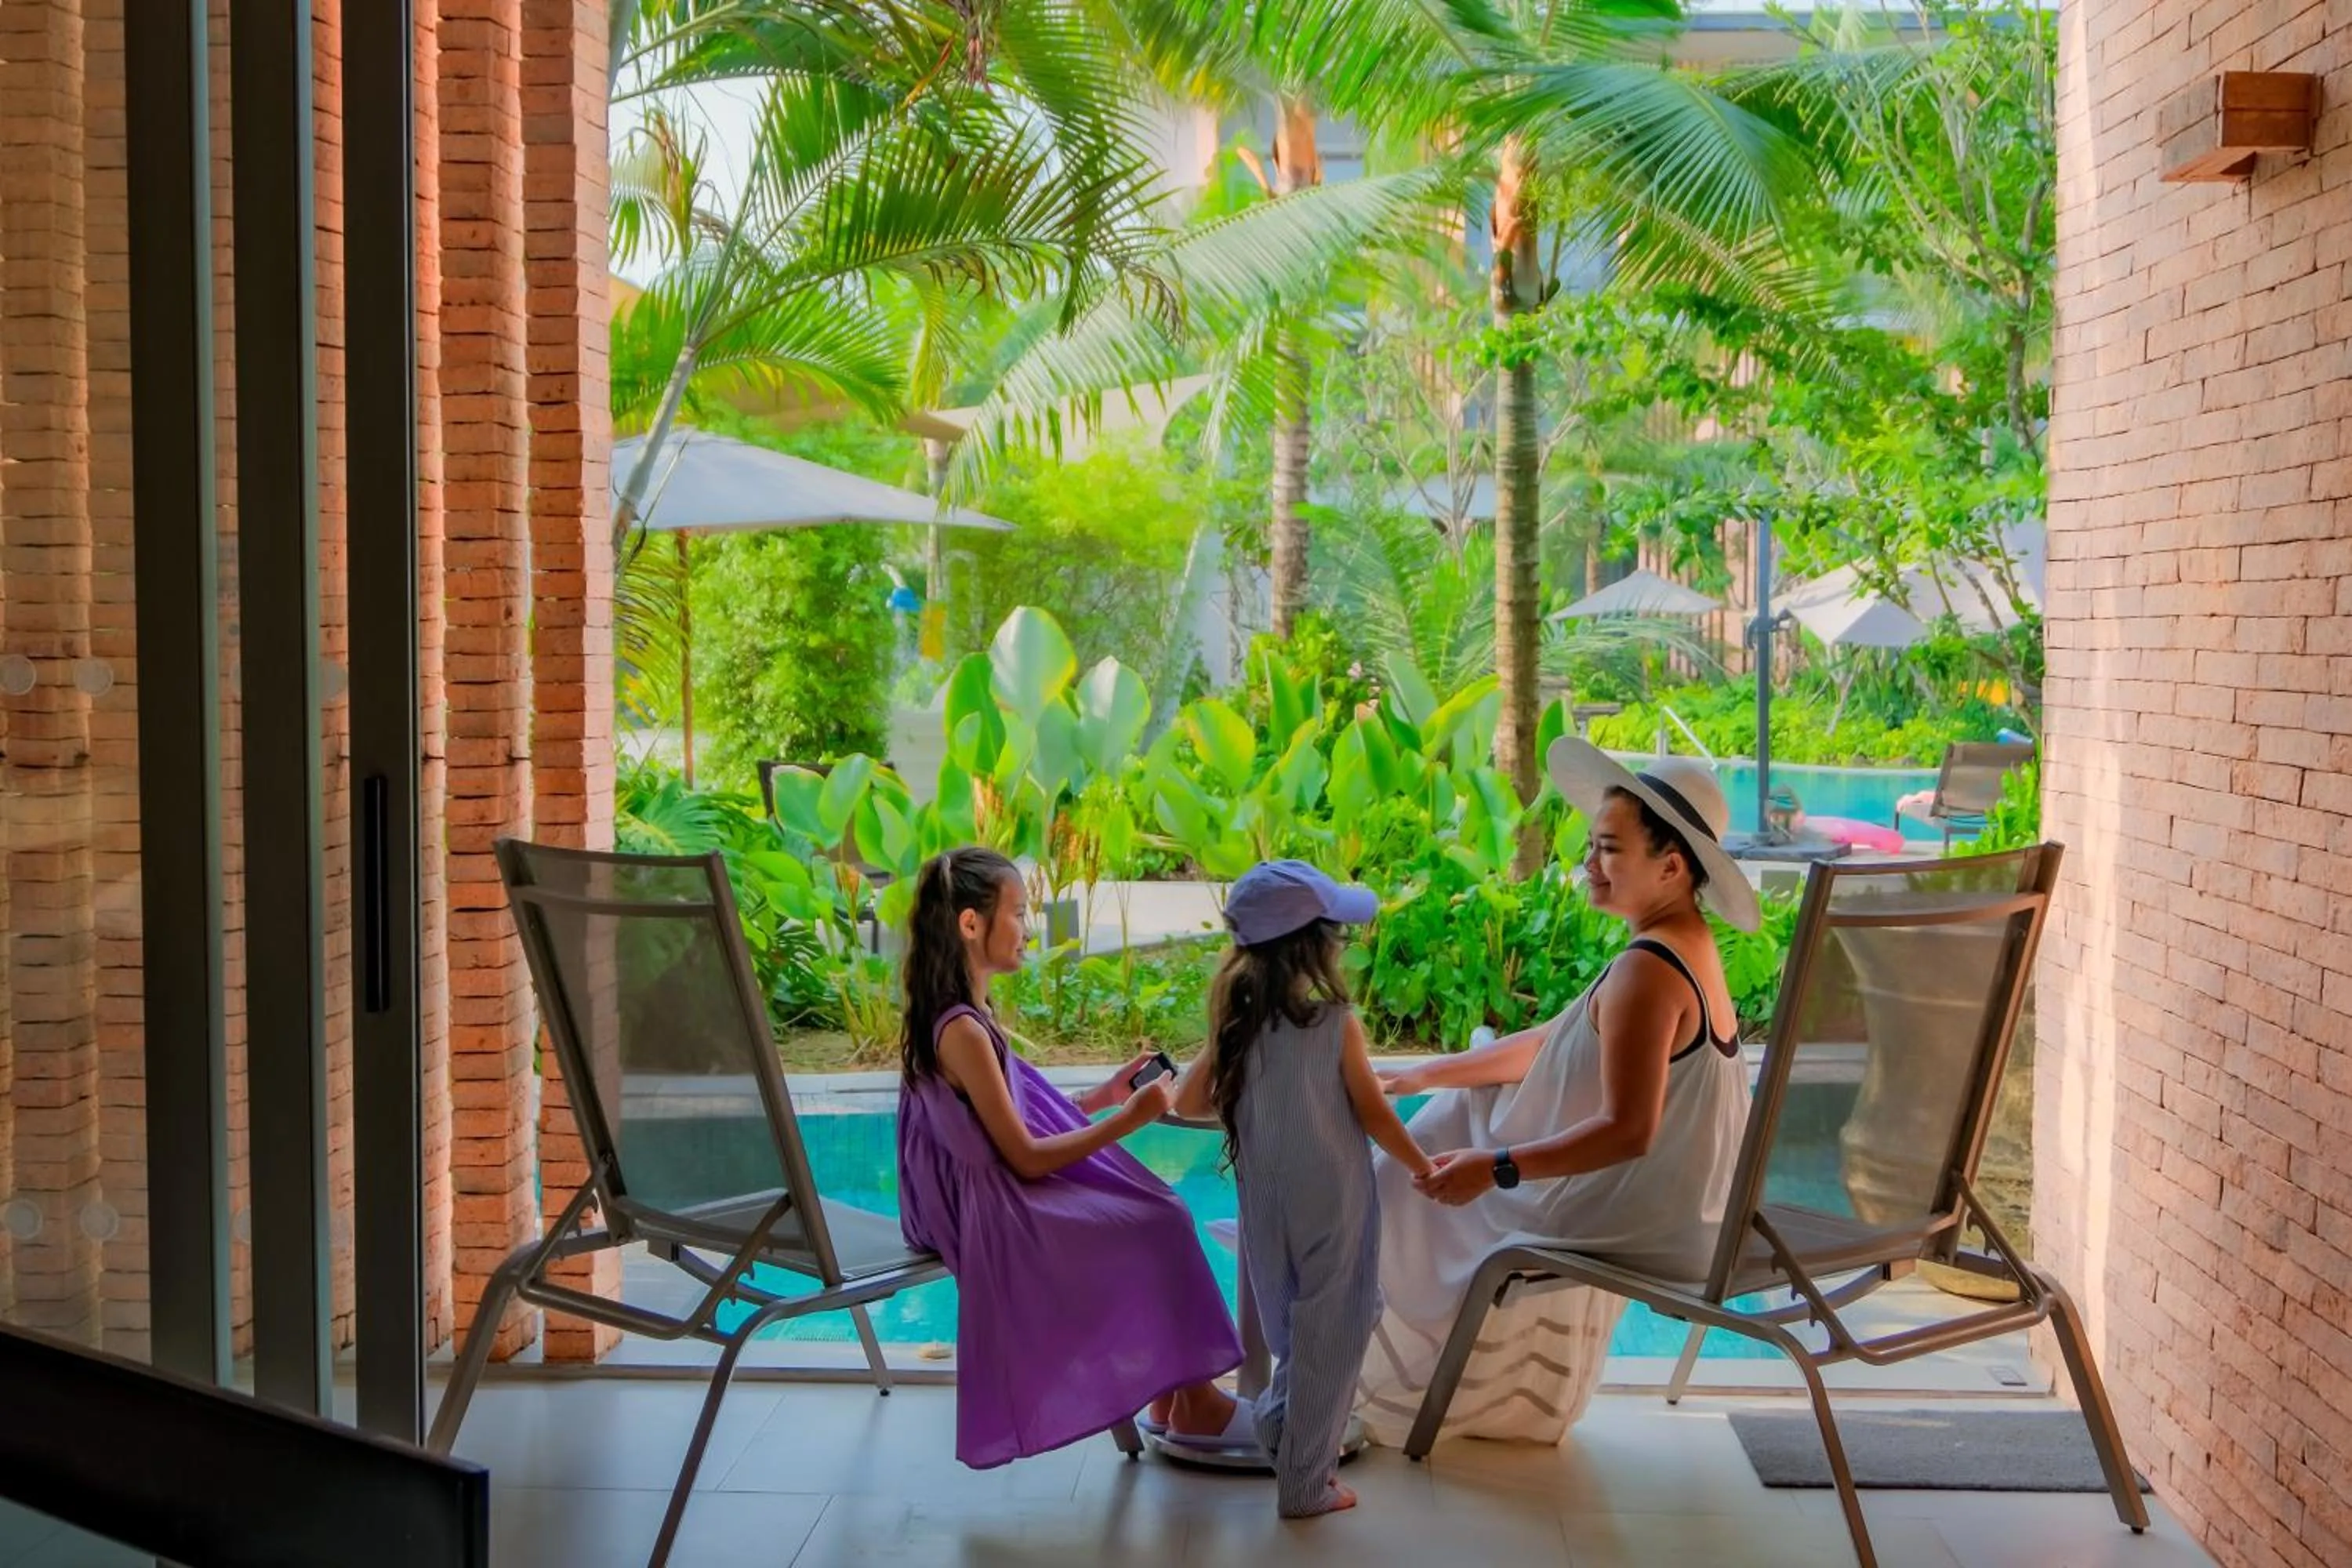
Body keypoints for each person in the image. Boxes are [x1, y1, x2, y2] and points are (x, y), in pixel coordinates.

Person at [1356, 742, 1759, 1447]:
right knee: (1461, 1107)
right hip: (1687, 1207)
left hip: (1637, 1216)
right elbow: (1554, 1040)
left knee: (1426, 1161)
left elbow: (1628, 1130)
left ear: (1671, 866)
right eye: (1590, 844)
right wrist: (1427, 1072)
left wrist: (1496, 1168)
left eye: (1609, 849)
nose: (1588, 864)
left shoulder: (1649, 971)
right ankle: (1341, 1273)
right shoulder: (1682, 945)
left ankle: (1329, 1317)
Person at [895, 847, 1245, 1468]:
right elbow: (1026, 1158)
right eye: (1019, 913)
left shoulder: (967, 1017)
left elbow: (1010, 1122)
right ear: (971, 925)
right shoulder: (964, 1031)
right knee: (1157, 1218)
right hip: (989, 1211)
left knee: (1153, 1215)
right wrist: (1125, 1121)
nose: (1029, 928)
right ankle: (1195, 1402)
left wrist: (1105, 1095)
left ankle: (1178, 1394)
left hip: (988, 1188)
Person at [1168, 862, 1433, 1518]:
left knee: (1297, 1329)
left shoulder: (1240, 1024)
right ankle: (1304, 1484)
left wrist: (1250, 1092)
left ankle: (1283, 1427)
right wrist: (1424, 1167)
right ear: (1316, 945)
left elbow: (1187, 1100)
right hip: (1335, 1202)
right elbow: (1373, 1114)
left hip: (1267, 1203)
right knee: (1340, 1325)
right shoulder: (1335, 1021)